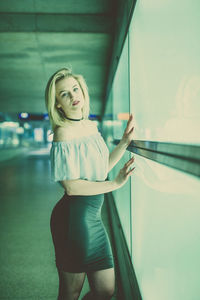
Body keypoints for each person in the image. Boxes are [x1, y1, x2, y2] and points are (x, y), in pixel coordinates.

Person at [45, 67, 135, 300]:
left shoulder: (90, 125)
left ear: (83, 92)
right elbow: (72, 187)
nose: (73, 95)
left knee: (105, 291)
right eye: (64, 94)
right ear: (57, 105)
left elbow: (98, 170)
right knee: (70, 292)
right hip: (73, 220)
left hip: (93, 219)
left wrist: (124, 143)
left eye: (75, 89)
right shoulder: (63, 133)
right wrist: (115, 184)